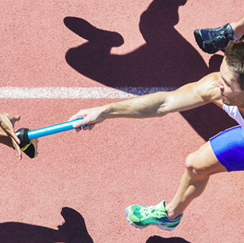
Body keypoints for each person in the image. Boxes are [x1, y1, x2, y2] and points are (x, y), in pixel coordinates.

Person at [68, 39, 244, 231]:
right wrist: (105, 111)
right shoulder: (215, 87)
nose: (217, 83)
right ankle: (169, 216)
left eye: (226, 83)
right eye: (221, 74)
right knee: (196, 165)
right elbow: (164, 103)